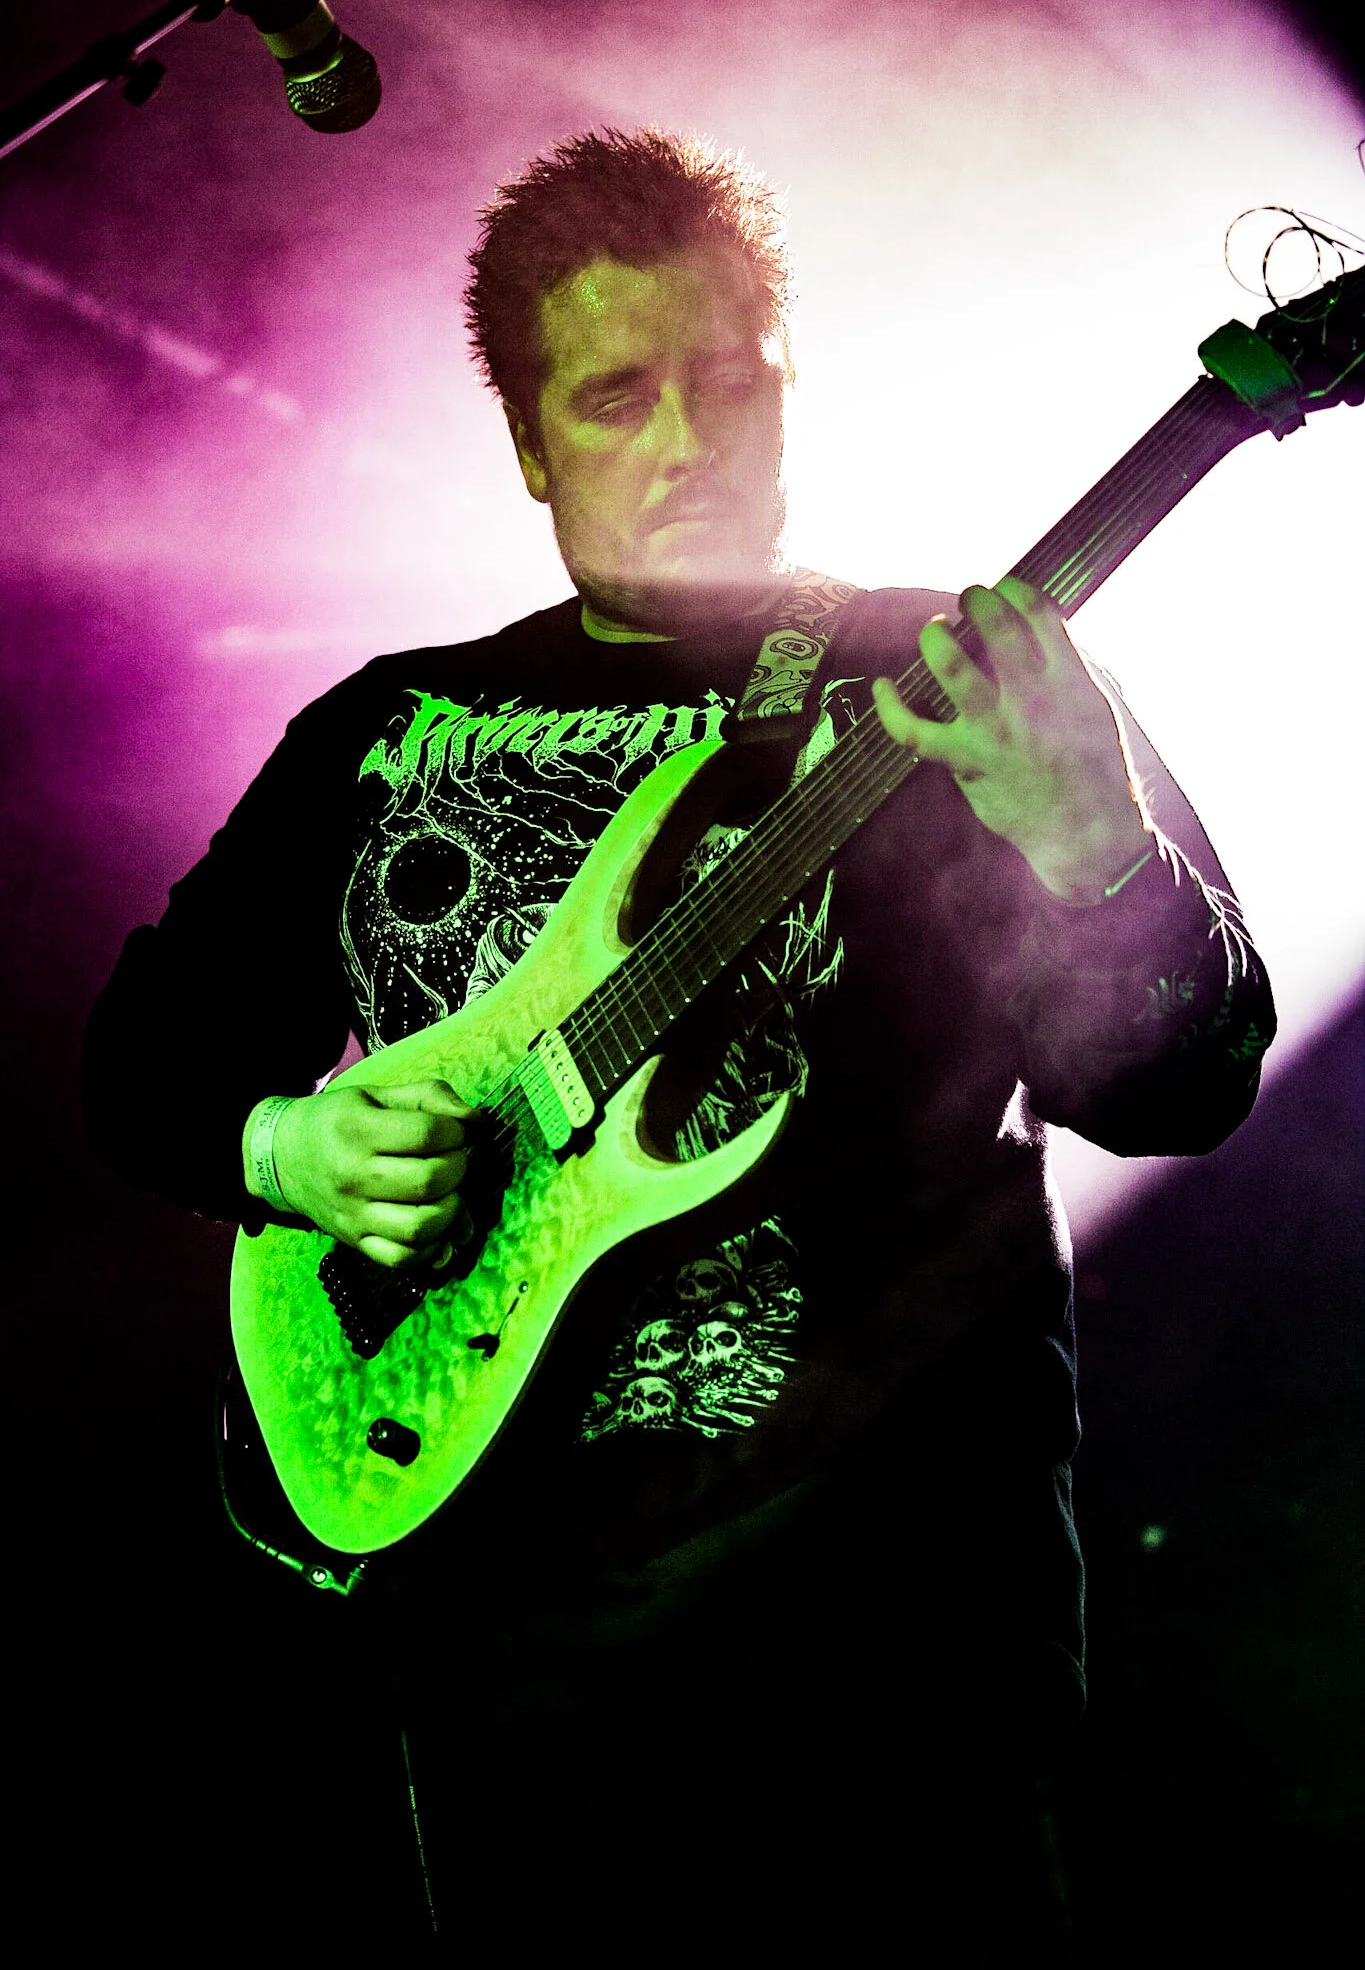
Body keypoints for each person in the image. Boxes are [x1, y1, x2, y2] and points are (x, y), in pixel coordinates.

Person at [82, 128, 1273, 1959]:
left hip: (891, 1648)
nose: (687, 439)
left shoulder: (960, 675)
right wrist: (293, 1150)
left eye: (731, 382)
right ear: (529, 444)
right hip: (502, 1647)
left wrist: (1093, 849)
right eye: (616, 395)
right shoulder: (386, 729)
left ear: (791, 395)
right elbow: (140, 1064)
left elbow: (1183, 1087)